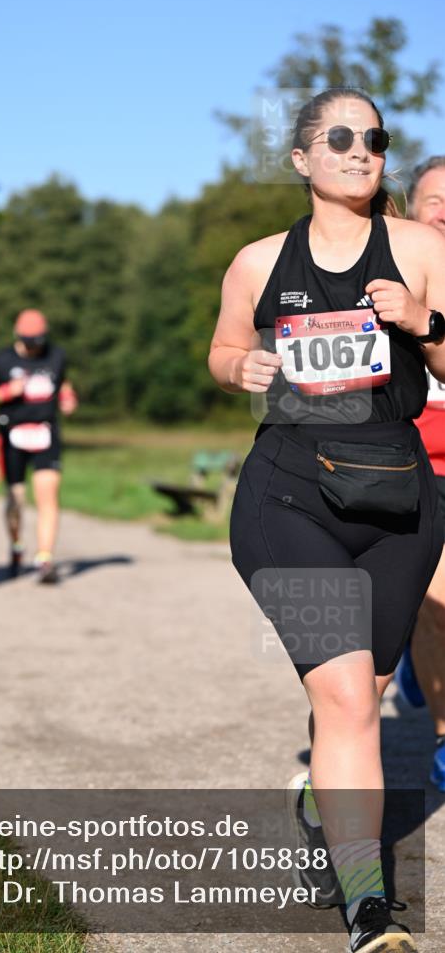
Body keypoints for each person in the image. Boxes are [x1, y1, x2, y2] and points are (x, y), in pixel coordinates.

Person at [209, 88, 445, 953]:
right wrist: (239, 368)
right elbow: (224, 345)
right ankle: (369, 912)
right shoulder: (256, 261)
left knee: (363, 693)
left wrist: (424, 321)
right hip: (287, 494)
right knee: (347, 696)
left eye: (374, 138)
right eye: (338, 137)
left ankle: (321, 801)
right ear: (302, 158)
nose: (360, 150)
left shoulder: (420, 249)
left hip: (396, 496)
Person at [394, 157, 445, 791]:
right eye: (435, 199)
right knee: (439, 610)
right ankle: (442, 735)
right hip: (416, 469)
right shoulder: (384, 280)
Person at [0, 309, 77, 584]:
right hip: (12, 433)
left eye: (38, 340)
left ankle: (45, 559)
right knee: (16, 499)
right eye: (29, 341)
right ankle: (16, 544)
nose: (34, 346)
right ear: (18, 336)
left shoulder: (56, 355)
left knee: (48, 495)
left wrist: (68, 397)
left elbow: (63, 382)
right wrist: (7, 391)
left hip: (46, 432)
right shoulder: (2, 359)